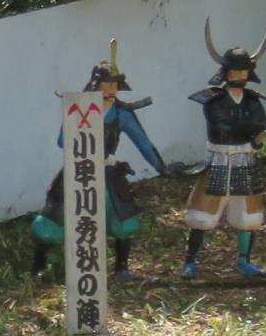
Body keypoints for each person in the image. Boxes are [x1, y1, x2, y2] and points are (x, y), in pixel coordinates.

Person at [32, 50, 168, 284]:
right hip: (78, 170)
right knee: (54, 221)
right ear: (96, 85)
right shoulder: (79, 108)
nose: (110, 89)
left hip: (107, 173)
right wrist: (77, 119)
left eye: (114, 85)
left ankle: (121, 268)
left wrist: (163, 168)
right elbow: (63, 141)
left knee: (123, 220)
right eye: (106, 84)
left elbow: (143, 142)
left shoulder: (122, 114)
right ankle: (40, 265)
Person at [181, 22, 266, 280]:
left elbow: (260, 128)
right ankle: (190, 261)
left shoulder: (253, 100)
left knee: (248, 216)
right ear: (226, 72)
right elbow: (221, 125)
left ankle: (244, 261)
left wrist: (252, 134)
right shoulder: (212, 100)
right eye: (235, 70)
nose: (239, 74)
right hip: (219, 158)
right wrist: (250, 130)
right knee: (202, 216)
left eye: (243, 70)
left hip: (245, 159)